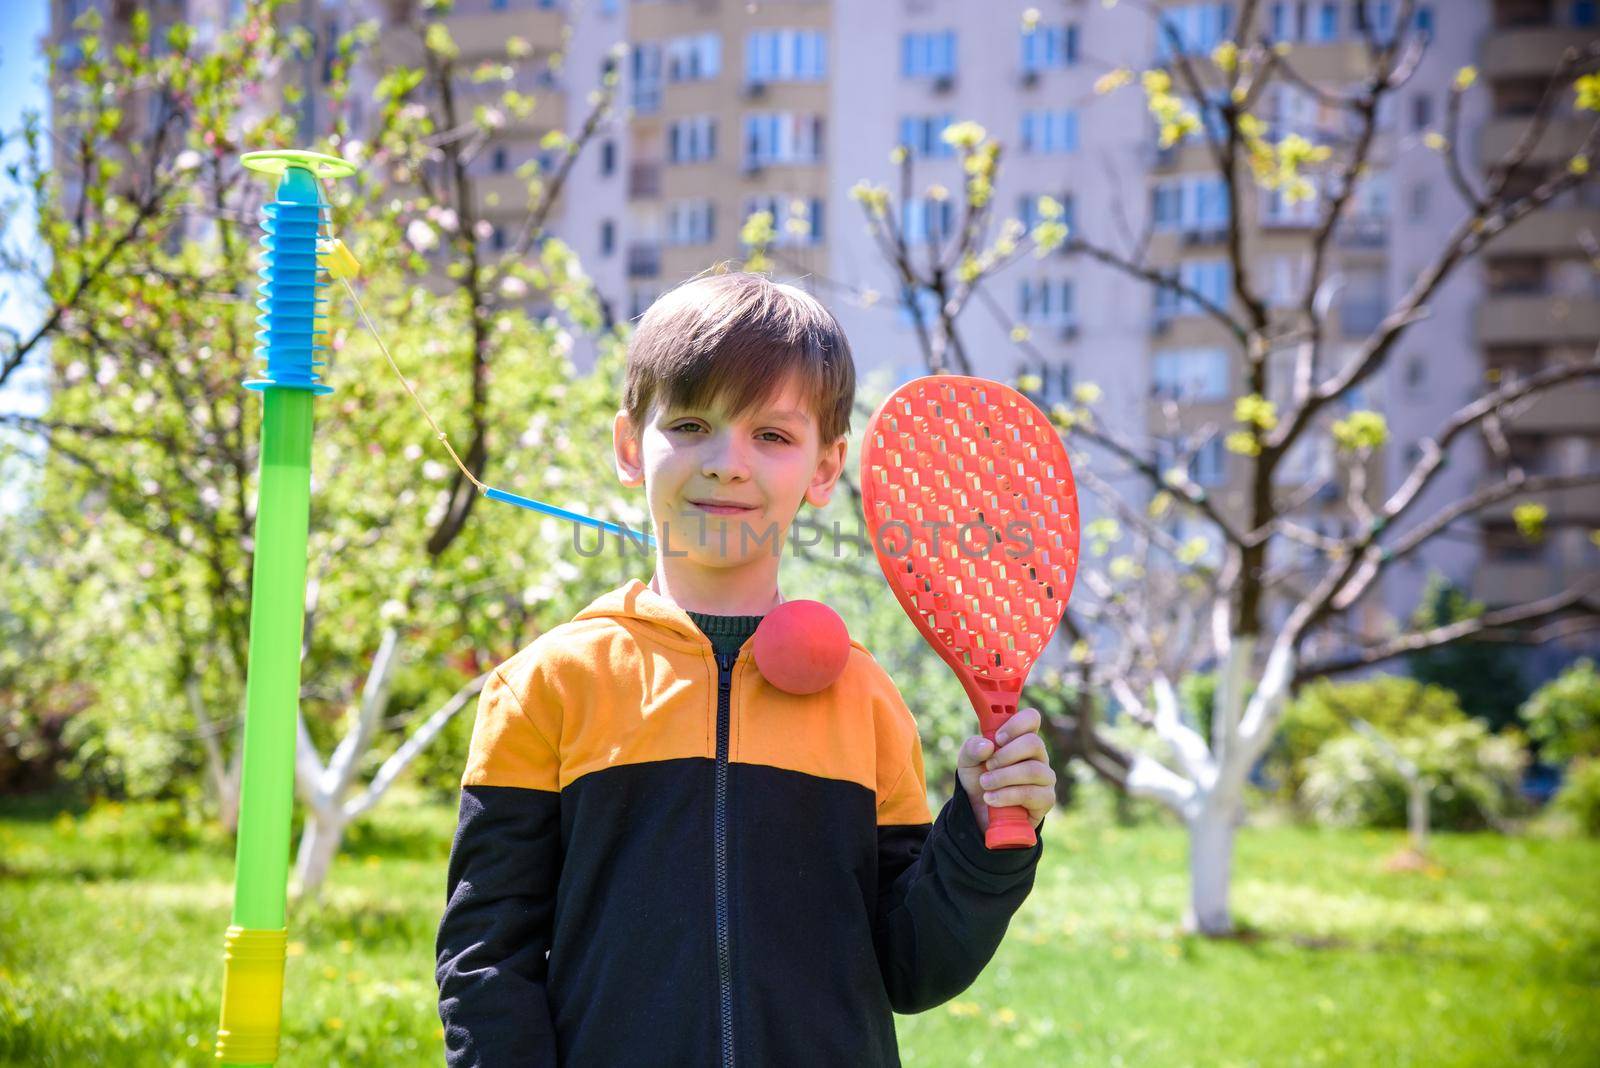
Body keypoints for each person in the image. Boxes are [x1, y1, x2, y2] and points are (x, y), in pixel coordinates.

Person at [435, 271, 1057, 1067]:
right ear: (630, 445)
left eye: (772, 435)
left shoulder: (865, 701)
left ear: (826, 469)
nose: (728, 463)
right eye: (692, 424)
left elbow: (911, 965)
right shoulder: (546, 686)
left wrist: (983, 832)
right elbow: (486, 963)